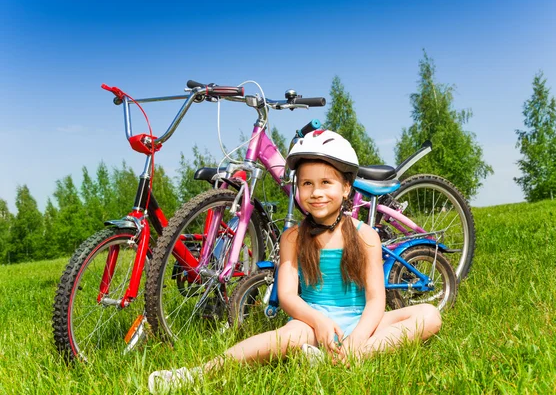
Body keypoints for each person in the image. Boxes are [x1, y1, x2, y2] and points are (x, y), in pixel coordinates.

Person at [148, 130, 442, 393]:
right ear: (297, 189)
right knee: (285, 336)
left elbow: (376, 300)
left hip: (362, 321)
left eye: (326, 182)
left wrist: (358, 338)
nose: (316, 192)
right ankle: (195, 374)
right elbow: (288, 296)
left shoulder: (366, 236)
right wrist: (319, 323)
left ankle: (353, 355)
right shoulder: (292, 238)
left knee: (429, 315)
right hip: (311, 322)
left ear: (346, 188)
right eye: (306, 183)